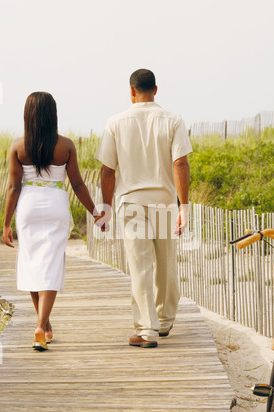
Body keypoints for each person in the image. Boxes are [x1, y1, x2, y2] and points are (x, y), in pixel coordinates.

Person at [95, 69, 192, 348]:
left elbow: (107, 170)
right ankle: (164, 320)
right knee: (165, 262)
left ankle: (146, 330)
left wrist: (107, 207)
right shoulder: (173, 120)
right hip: (163, 202)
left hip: (131, 204)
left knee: (140, 267)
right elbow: (180, 164)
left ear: (131, 91)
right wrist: (183, 206)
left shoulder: (115, 123)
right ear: (156, 90)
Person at [3, 91, 98, 351]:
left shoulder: (18, 146)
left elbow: (13, 187)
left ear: (28, 115)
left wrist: (6, 224)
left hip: (28, 205)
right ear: (52, 115)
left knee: (32, 260)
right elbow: (77, 184)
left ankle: (43, 325)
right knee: (52, 263)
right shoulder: (66, 145)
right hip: (55, 202)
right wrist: (95, 212)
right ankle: (41, 326)